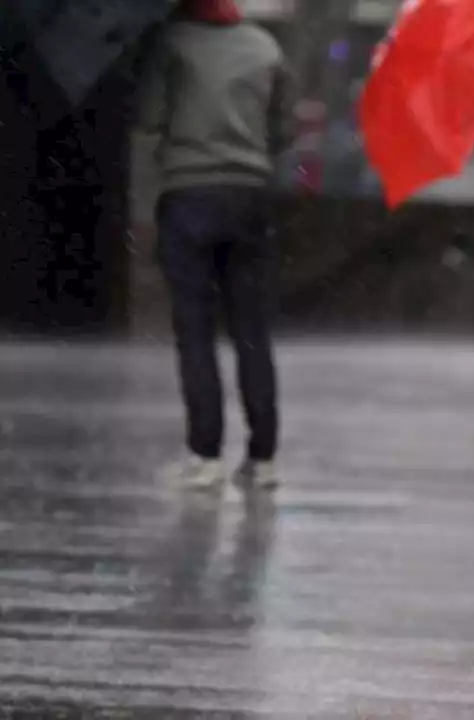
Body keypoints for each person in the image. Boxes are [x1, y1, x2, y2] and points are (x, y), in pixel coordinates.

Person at [137, 0, 294, 491]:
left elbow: (149, 117)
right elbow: (282, 131)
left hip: (189, 195)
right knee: (251, 331)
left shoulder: (171, 42)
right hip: (249, 196)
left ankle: (205, 455)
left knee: (196, 330)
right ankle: (263, 458)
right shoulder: (266, 46)